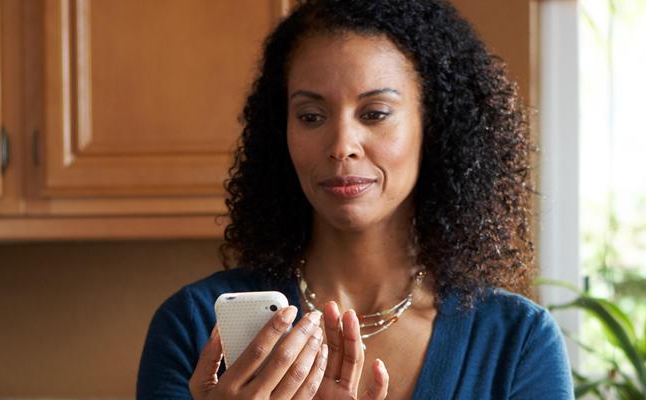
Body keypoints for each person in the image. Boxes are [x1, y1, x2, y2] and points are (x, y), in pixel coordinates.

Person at [136, 0, 572, 398]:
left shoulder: (517, 343)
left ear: (434, 125)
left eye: (375, 113)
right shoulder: (194, 327)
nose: (342, 143)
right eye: (311, 116)